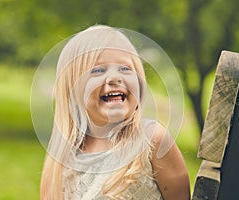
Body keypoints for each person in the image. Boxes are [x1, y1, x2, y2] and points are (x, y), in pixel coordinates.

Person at [40, 25, 190, 200]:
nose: (114, 77)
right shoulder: (61, 161)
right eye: (98, 70)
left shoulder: (151, 140)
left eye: (125, 68)